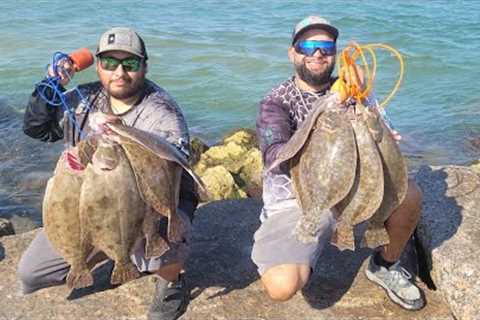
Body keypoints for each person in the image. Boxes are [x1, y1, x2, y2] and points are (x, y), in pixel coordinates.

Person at [18, 27, 198, 320]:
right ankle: (108, 249)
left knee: (168, 232)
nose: (119, 73)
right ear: (98, 65)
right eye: (109, 63)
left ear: (144, 67)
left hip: (152, 203)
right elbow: (37, 127)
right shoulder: (84, 98)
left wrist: (123, 133)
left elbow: (175, 157)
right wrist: (51, 84)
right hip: (93, 204)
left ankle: (171, 281)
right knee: (31, 273)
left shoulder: (162, 109)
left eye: (130, 64)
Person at [252, 16, 425, 310]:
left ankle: (385, 264)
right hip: (301, 202)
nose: (317, 53)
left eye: (325, 46)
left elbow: (382, 132)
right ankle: (310, 245)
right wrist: (328, 107)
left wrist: (384, 135)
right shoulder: (276, 101)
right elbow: (274, 156)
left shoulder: (354, 90)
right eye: (308, 45)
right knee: (281, 287)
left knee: (409, 196)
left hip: (355, 190)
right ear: (293, 53)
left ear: (333, 52)